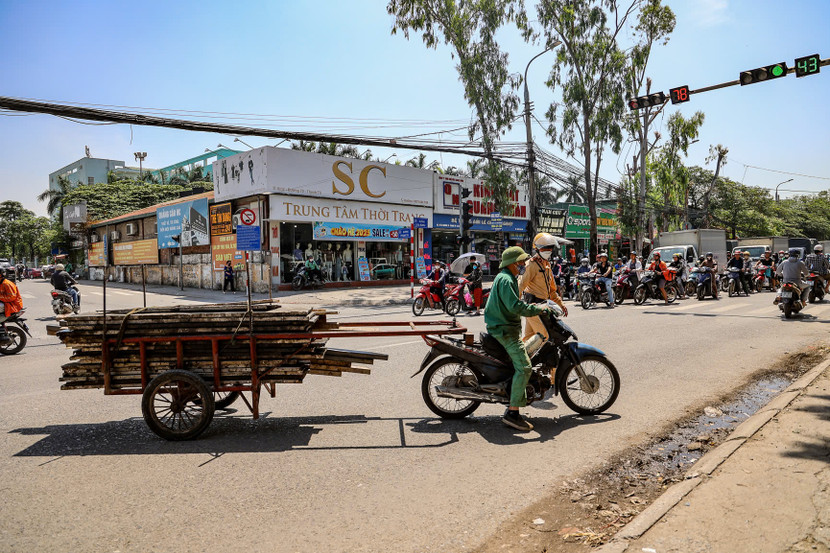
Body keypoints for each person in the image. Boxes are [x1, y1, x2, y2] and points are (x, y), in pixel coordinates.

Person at [484, 247, 549, 432]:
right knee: (525, 367)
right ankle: (513, 413)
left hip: (504, 327)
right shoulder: (506, 279)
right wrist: (538, 309)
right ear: (512, 263)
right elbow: (514, 306)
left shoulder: (507, 277)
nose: (522, 265)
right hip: (504, 331)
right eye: (520, 262)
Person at [519, 233, 568, 341]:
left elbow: (552, 290)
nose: (548, 250)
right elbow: (520, 286)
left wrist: (561, 304)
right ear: (536, 249)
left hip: (543, 307)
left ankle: (522, 358)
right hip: (533, 307)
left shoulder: (547, 265)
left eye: (550, 248)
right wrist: (512, 307)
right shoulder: (530, 265)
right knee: (544, 337)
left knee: (528, 338)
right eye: (544, 248)